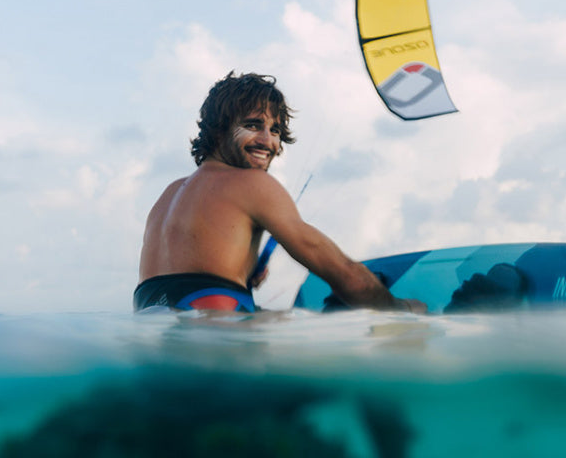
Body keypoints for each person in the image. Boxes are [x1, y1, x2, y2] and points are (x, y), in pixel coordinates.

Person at [135, 71, 426, 314]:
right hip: (214, 329)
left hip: (153, 325)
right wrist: (400, 309)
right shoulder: (251, 183)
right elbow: (345, 274)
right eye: (252, 125)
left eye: (275, 130)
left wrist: (242, 273)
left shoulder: (169, 194)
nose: (267, 141)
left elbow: (184, 286)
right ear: (219, 130)